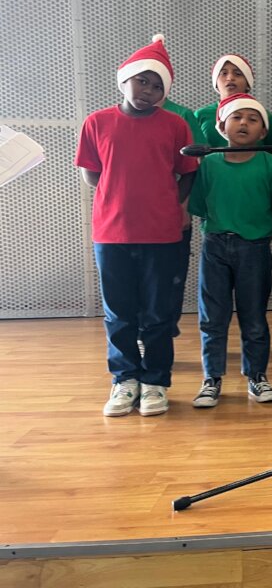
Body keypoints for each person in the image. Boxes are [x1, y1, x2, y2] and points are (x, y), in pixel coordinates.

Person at [75, 34, 198, 417]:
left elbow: (188, 171)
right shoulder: (97, 122)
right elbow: (91, 172)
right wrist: (119, 196)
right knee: (119, 313)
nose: (148, 91)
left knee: (159, 314)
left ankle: (156, 382)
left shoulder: (175, 125)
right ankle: (124, 379)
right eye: (142, 81)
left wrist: (170, 204)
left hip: (162, 235)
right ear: (124, 79)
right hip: (111, 234)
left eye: (157, 86)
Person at [188, 94, 272, 408]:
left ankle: (256, 376)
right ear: (222, 126)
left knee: (254, 317)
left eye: (253, 119)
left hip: (254, 249)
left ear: (263, 131)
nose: (244, 123)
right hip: (215, 246)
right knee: (212, 318)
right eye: (237, 117)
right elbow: (199, 206)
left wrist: (262, 237)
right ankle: (211, 378)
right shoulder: (209, 164)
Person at [159, 92, 203, 339]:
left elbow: (192, 166)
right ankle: (142, 333)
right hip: (136, 214)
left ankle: (165, 328)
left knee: (172, 274)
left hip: (173, 208)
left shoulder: (182, 115)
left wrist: (183, 207)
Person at [194, 54, 272, 148]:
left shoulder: (264, 117)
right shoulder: (201, 115)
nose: (230, 78)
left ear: (248, 83)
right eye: (224, 73)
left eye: (238, 74)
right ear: (216, 82)